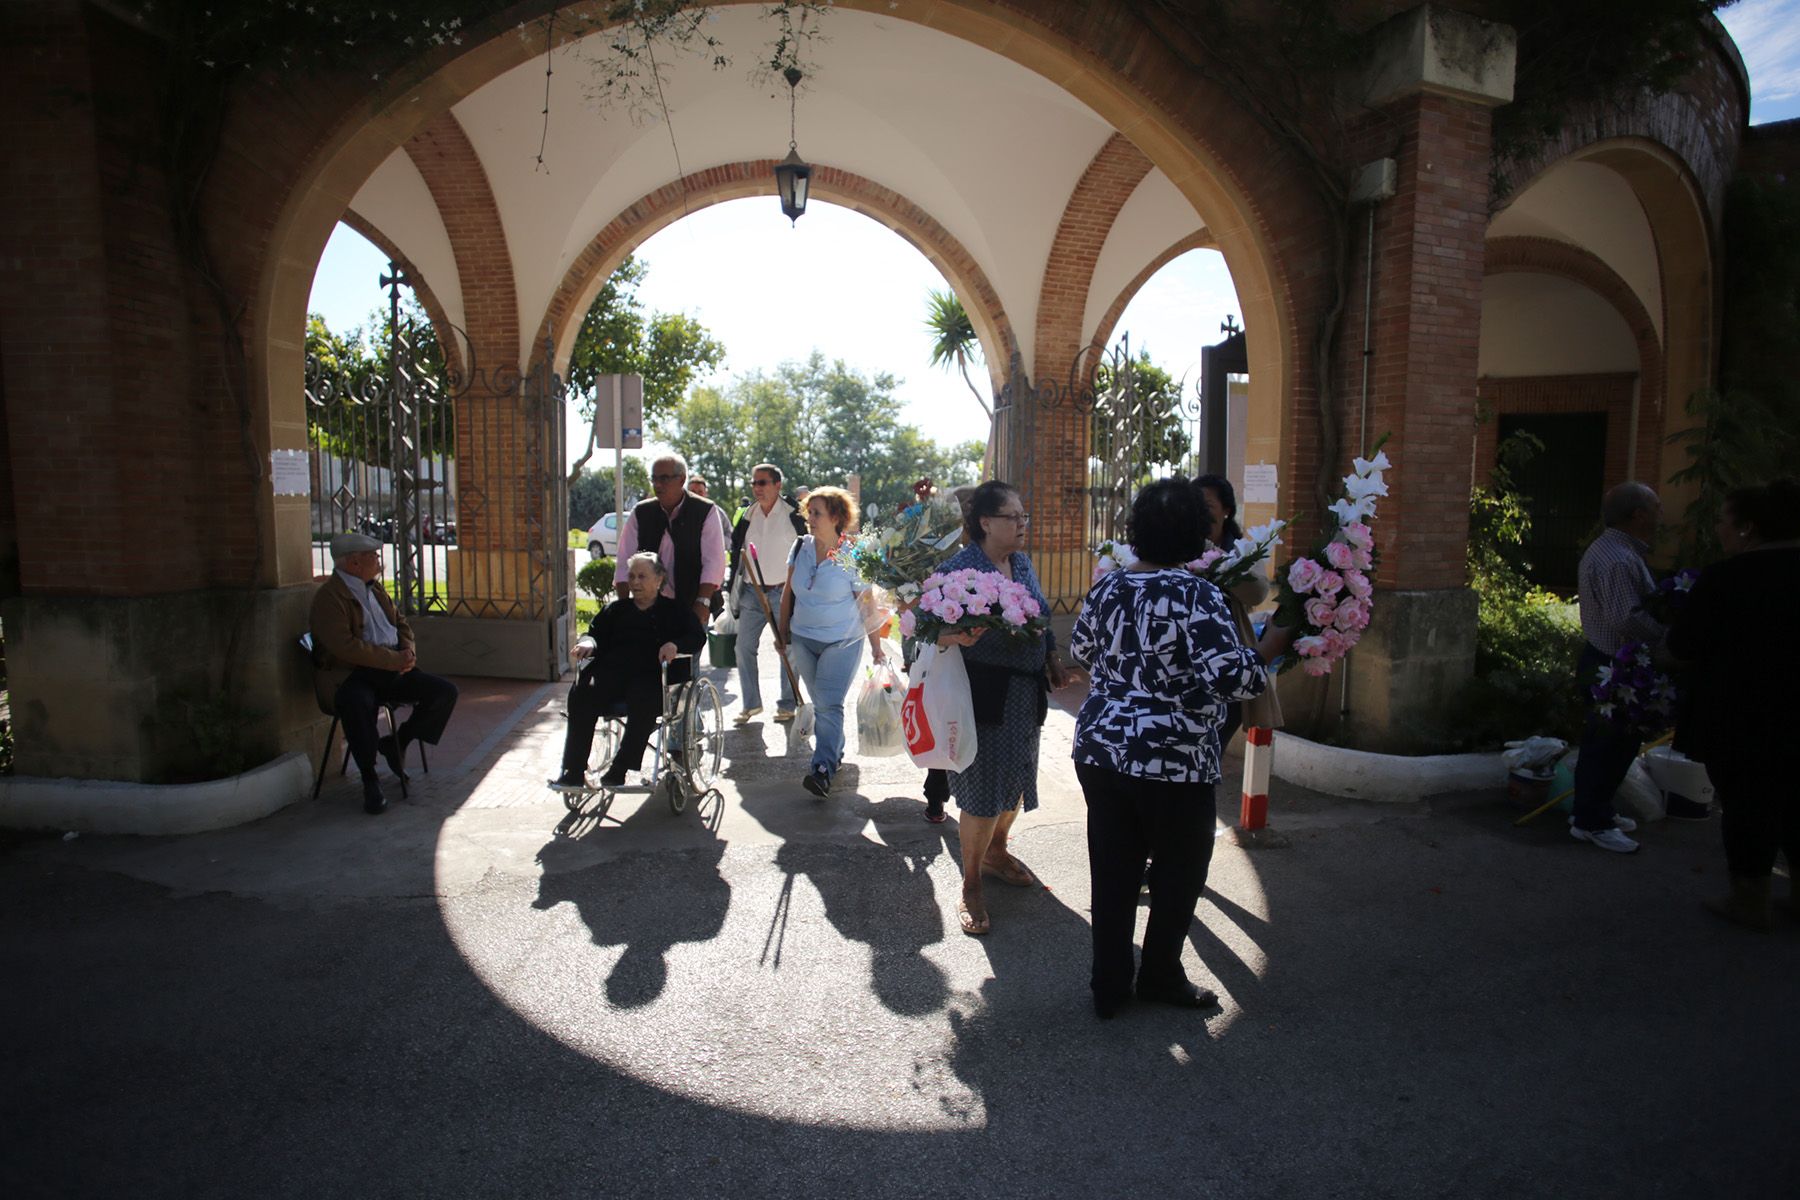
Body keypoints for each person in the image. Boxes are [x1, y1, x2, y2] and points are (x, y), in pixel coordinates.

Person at [1070, 479, 1290, 1018]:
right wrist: (1266, 649)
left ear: (1137, 531)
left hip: (1102, 747)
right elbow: (1232, 678)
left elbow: (1080, 649)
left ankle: (1109, 983)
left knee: (1114, 866)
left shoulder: (1109, 587)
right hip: (1174, 756)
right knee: (1178, 869)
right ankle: (1161, 974)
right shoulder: (1199, 595)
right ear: (1198, 532)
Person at [934, 481, 1074, 936]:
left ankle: (996, 851)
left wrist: (1051, 658)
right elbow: (922, 632)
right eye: (1013, 517)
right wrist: (957, 635)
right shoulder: (959, 570)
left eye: (1023, 516)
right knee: (980, 790)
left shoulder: (1022, 563)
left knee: (1014, 781)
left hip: (1024, 694)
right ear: (985, 522)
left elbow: (1040, 617)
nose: (1022, 524)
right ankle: (970, 883)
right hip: (982, 694)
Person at [1667, 479, 1800, 930]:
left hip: (1744, 717)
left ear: (1747, 529)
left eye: (1723, 521)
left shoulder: (1728, 579)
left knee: (1748, 806)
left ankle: (1750, 898)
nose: (1718, 530)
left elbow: (1683, 645)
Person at [309, 530, 459, 814]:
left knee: (443, 693)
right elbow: (346, 648)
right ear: (354, 562)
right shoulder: (329, 598)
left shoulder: (375, 588)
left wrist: (408, 652)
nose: (379, 560)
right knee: (358, 704)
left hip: (390, 669)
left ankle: (398, 742)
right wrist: (393, 660)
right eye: (373, 556)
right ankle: (370, 779)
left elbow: (401, 624)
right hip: (353, 675)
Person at [1570, 482, 1672, 854]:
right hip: (1611, 665)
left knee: (1617, 743)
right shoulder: (1616, 558)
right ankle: (1590, 821)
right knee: (1606, 745)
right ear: (1638, 515)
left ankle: (1597, 812)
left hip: (1614, 662)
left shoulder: (1620, 551)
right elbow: (1625, 618)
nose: (1663, 514)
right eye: (1657, 507)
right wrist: (1668, 637)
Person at [551, 552, 706, 790]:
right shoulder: (616, 610)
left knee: (643, 697)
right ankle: (573, 771)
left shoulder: (675, 611)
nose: (634, 582)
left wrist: (675, 645)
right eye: (631, 576)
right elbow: (594, 634)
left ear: (659, 579)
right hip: (613, 673)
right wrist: (589, 643)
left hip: (654, 676)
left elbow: (697, 636)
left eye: (642, 576)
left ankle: (620, 768)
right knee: (582, 691)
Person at [778, 485, 890, 797]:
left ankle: (822, 767)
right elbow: (789, 591)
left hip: (842, 641)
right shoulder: (800, 547)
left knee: (827, 702)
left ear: (837, 517)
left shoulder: (852, 554)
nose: (810, 518)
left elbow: (866, 603)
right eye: (808, 512)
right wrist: (782, 631)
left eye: (817, 513)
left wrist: (877, 647)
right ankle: (834, 751)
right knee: (825, 705)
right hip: (803, 638)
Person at [1192, 473, 1273, 748]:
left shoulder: (1242, 550)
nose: (1201, 513)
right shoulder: (1178, 547)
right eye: (1195, 506)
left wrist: (1215, 560)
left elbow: (1258, 592)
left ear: (1227, 510)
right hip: (1188, 664)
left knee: (1214, 744)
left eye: (1208, 505)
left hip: (1228, 659)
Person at [725, 462, 807, 725]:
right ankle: (751, 704)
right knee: (743, 647)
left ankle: (787, 704)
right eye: (754, 483)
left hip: (784, 593)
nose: (757, 488)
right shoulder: (748, 514)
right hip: (752, 592)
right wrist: (732, 589)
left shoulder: (795, 514)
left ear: (777, 485)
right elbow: (736, 553)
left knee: (788, 649)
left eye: (762, 482)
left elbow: (806, 552)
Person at [615, 453, 726, 632]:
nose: (658, 484)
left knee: (686, 658)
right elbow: (623, 561)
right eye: (654, 479)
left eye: (664, 478)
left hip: (691, 604)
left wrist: (703, 601)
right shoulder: (641, 512)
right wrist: (623, 606)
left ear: (681, 479)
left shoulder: (705, 511)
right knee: (648, 658)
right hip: (648, 606)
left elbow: (714, 562)